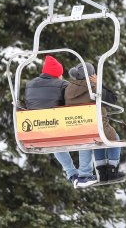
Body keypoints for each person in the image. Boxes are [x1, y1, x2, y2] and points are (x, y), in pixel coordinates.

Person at [24, 55, 98, 188]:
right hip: (57, 127)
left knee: (54, 139)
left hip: (36, 133)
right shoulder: (62, 84)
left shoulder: (30, 84)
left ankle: (72, 174)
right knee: (85, 131)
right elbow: (72, 99)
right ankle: (84, 174)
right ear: (58, 74)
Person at [66, 62, 126, 184]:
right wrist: (99, 83)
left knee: (98, 139)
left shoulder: (67, 89)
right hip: (95, 128)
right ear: (90, 75)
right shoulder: (93, 88)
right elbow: (113, 98)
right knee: (113, 138)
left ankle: (102, 172)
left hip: (76, 129)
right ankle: (112, 171)